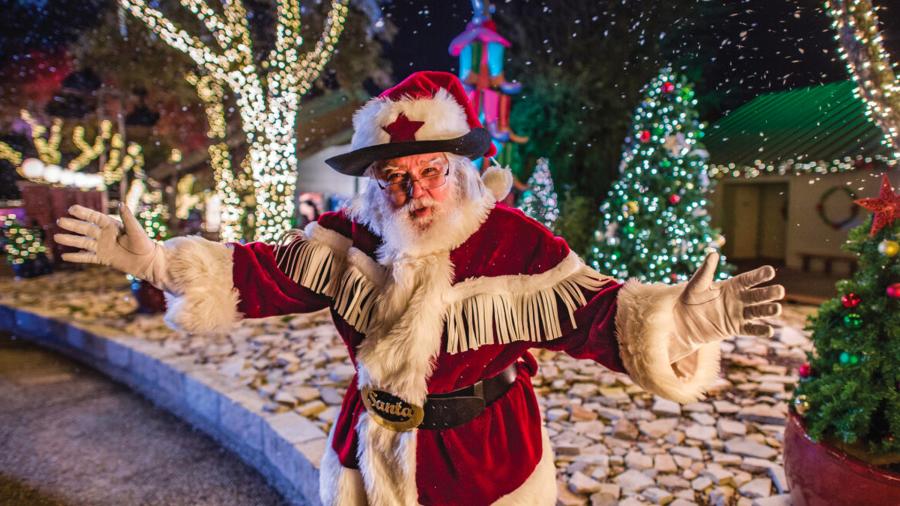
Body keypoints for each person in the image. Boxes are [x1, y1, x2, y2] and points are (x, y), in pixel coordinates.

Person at [55, 71, 784, 506]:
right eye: (394, 177)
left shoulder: (517, 242)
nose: (413, 190)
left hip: (486, 454)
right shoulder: (346, 241)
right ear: (375, 186)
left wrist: (681, 323)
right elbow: (256, 274)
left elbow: (596, 314)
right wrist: (158, 265)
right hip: (371, 448)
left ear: (460, 170)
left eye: (428, 170)